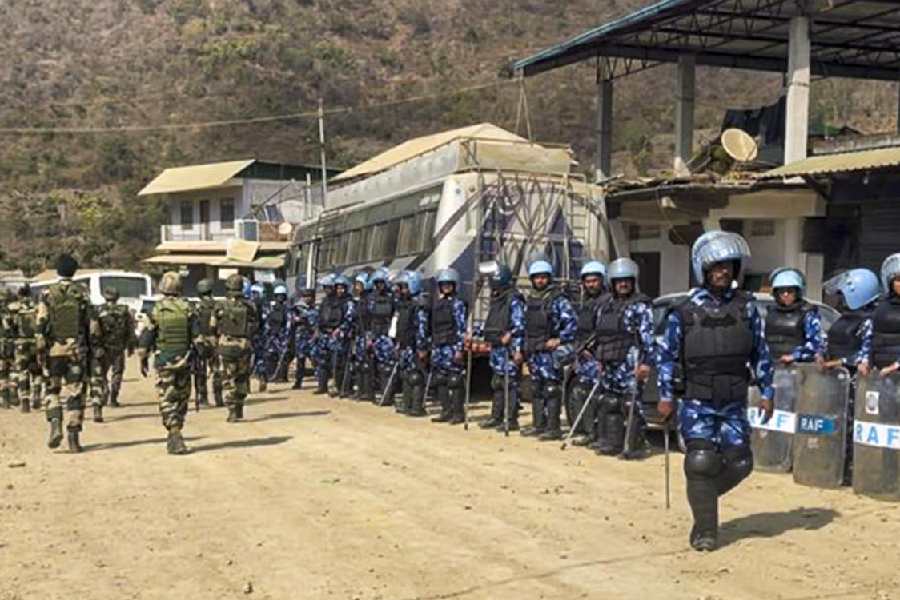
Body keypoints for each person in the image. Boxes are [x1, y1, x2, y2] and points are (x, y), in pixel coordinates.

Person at [657, 231, 774, 552]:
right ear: (704, 270)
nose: (723, 272)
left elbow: (761, 352)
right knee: (701, 461)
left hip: (734, 397)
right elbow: (666, 356)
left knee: (740, 463)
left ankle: (702, 495)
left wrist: (767, 390)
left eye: (728, 266)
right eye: (716, 267)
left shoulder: (747, 308)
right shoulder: (683, 311)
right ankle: (705, 529)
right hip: (697, 398)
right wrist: (665, 396)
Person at [587, 258, 655, 458]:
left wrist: (646, 363)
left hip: (630, 361)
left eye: (627, 280)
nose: (623, 284)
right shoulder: (605, 306)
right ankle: (612, 442)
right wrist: (599, 359)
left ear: (633, 282)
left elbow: (648, 338)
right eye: (619, 281)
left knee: (631, 405)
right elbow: (601, 335)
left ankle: (635, 446)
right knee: (610, 402)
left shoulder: (641, 306)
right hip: (609, 361)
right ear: (612, 283)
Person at [35, 254, 98, 453]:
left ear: (58, 271)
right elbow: (93, 325)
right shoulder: (82, 293)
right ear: (75, 271)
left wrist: (40, 348)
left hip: (54, 350)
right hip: (76, 351)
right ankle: (73, 436)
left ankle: (54, 421)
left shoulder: (47, 293)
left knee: (52, 390)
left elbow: (40, 322)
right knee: (76, 392)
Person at [137, 271, 200, 454]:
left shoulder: (155, 310)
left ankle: (173, 431)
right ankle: (176, 431)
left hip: (164, 361)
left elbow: (146, 338)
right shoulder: (189, 308)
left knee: (167, 397)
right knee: (182, 397)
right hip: (185, 360)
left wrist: (143, 359)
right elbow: (198, 338)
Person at [520, 258, 577, 440]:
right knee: (536, 389)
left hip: (550, 353)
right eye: (537, 278)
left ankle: (553, 428)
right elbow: (523, 325)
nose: (540, 281)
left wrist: (559, 340)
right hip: (534, 351)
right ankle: (539, 425)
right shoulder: (530, 300)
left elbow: (572, 324)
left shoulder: (558, 300)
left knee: (552, 389)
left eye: (544, 278)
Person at [475, 263, 525, 431]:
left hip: (508, 349)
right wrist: (476, 333)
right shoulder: (498, 299)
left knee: (509, 384)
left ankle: (511, 419)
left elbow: (519, 325)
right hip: (496, 348)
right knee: (497, 382)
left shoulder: (513, 299)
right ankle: (496, 416)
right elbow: (491, 323)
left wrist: (516, 349)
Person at [211, 274, 260, 423]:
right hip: (244, 346)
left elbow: (212, 326)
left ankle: (232, 409)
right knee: (242, 377)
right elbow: (257, 326)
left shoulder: (220, 305)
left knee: (228, 377)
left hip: (226, 345)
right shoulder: (250, 305)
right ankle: (239, 406)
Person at [570, 261, 608, 446]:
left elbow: (603, 331)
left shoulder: (607, 302)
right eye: (588, 281)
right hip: (584, 358)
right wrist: (578, 351)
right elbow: (580, 329)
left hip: (598, 356)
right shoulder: (587, 303)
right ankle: (588, 432)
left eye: (594, 281)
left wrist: (591, 349)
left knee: (598, 398)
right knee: (579, 393)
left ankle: (601, 435)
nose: (591, 284)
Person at [90, 287, 136, 419]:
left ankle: (101, 396)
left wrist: (94, 346)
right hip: (118, 348)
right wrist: (131, 345)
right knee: (118, 373)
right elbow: (130, 329)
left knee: (100, 375)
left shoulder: (97, 310)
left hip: (102, 348)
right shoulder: (124, 310)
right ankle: (113, 398)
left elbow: (92, 330)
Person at [765, 267, 826, 365]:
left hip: (799, 369)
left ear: (797, 292)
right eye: (781, 291)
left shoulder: (808, 313)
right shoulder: (771, 312)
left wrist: (794, 356)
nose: (785, 294)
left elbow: (816, 345)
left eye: (790, 291)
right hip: (774, 366)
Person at [430, 268, 468, 424]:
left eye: (448, 285)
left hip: (451, 346)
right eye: (443, 285)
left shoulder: (458, 304)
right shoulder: (438, 304)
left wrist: (459, 349)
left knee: (455, 380)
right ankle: (445, 410)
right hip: (439, 345)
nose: (446, 287)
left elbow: (461, 327)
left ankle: (458, 413)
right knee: (440, 379)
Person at [394, 271, 431, 417]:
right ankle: (407, 404)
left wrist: (422, 348)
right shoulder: (405, 304)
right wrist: (398, 343)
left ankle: (417, 407)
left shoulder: (419, 304)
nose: (402, 290)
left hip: (415, 346)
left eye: (405, 287)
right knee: (406, 374)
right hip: (405, 344)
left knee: (415, 376)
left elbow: (422, 328)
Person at [860, 254, 900, 378]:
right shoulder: (880, 307)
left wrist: (896, 366)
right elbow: (869, 336)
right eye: (898, 280)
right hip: (879, 375)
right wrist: (865, 361)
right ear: (891, 282)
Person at [6, 284, 43, 413]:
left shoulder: (14, 308)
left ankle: (25, 400)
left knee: (23, 371)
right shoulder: (37, 307)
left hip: (21, 343)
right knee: (37, 371)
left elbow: (8, 326)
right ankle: (37, 392)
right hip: (35, 342)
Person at [367, 269, 398, 406]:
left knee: (387, 367)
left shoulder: (393, 298)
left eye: (381, 283)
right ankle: (375, 392)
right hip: (375, 334)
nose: (379, 286)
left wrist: (394, 334)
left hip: (387, 334)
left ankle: (388, 395)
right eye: (377, 283)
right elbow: (367, 318)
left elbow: (396, 316)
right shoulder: (371, 298)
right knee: (375, 365)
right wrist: (369, 336)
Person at [195, 278, 223, 406]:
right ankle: (218, 398)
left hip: (200, 341)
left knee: (201, 370)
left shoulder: (197, 307)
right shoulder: (218, 306)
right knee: (216, 370)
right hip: (214, 341)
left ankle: (203, 398)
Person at [263, 283, 293, 385]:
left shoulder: (287, 309)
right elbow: (267, 321)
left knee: (283, 356)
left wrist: (286, 337)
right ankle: (270, 375)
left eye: (282, 295)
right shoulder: (271, 308)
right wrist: (268, 333)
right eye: (278, 296)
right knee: (270, 355)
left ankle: (282, 376)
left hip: (282, 335)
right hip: (272, 335)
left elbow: (289, 323)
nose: (280, 298)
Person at [290, 286, 318, 390]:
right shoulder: (297, 308)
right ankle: (298, 381)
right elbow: (293, 321)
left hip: (311, 338)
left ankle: (321, 382)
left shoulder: (315, 309)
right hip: (300, 337)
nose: (307, 298)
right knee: (300, 361)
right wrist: (300, 319)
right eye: (305, 296)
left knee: (315, 359)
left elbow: (317, 323)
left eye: (309, 296)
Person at [249, 283, 268, 392]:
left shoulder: (250, 305)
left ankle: (246, 385)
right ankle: (262, 378)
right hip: (261, 336)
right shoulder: (264, 305)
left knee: (246, 361)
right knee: (260, 359)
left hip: (252, 336)